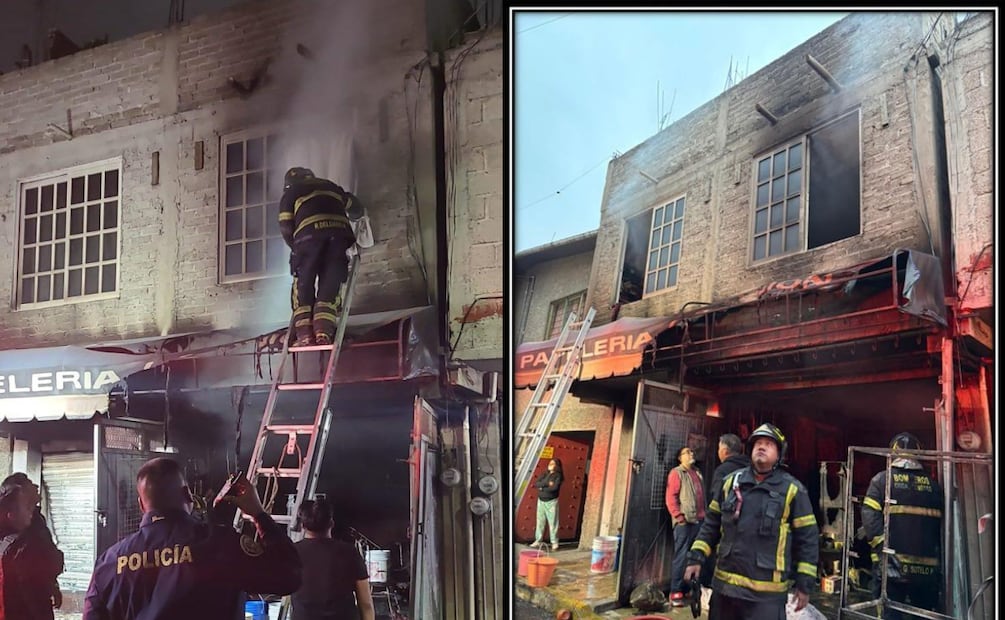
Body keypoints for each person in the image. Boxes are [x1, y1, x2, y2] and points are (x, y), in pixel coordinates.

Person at [83, 457, 302, 619]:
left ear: (142, 505)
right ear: (188, 494)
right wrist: (258, 514)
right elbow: (288, 576)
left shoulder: (109, 562)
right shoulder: (222, 543)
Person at [684, 423, 819, 619]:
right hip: (725, 591)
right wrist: (696, 558)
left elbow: (808, 540)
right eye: (758, 444)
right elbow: (711, 525)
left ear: (779, 455)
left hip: (766, 598)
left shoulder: (793, 490)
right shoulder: (730, 483)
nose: (761, 447)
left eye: (768, 444)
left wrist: (804, 585)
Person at [861, 432, 943, 619]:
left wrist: (882, 546)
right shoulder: (934, 486)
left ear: (893, 453)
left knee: (890, 615)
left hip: (891, 569)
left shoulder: (882, 480)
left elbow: (869, 515)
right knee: (922, 615)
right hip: (927, 572)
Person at [279, 167, 359, 347]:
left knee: (304, 283)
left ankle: (305, 335)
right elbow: (354, 205)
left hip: (308, 239)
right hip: (339, 236)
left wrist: (295, 247)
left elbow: (285, 225)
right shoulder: (330, 186)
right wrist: (360, 215)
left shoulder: (291, 193)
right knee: (331, 280)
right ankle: (323, 330)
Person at [290, 497, 375, 620]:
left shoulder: (292, 552)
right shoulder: (350, 552)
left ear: (303, 525)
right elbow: (366, 604)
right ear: (331, 523)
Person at [0, 473, 64, 619]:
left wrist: (52, 585)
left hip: (37, 598)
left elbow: (50, 556)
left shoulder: (35, 520)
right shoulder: (12, 545)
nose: (35, 487)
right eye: (29, 484)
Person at [701, 434, 752, 586]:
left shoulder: (723, 471)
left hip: (728, 527)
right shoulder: (751, 468)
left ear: (724, 450)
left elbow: (716, 502)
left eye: (718, 448)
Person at [665, 446, 705, 607]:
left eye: (692, 452)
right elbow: (671, 497)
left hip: (699, 520)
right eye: (687, 452)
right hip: (685, 522)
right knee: (681, 556)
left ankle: (691, 589)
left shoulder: (697, 472)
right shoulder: (677, 473)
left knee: (696, 557)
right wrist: (679, 517)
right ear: (680, 458)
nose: (691, 454)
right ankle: (675, 590)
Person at [531, 459, 563, 550]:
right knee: (540, 521)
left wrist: (542, 487)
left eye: (552, 463)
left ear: (557, 466)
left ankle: (554, 542)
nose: (550, 465)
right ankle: (538, 540)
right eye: (550, 463)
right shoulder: (545, 474)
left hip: (551, 502)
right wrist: (546, 484)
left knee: (553, 523)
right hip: (541, 501)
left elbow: (554, 488)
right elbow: (537, 484)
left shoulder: (558, 476)